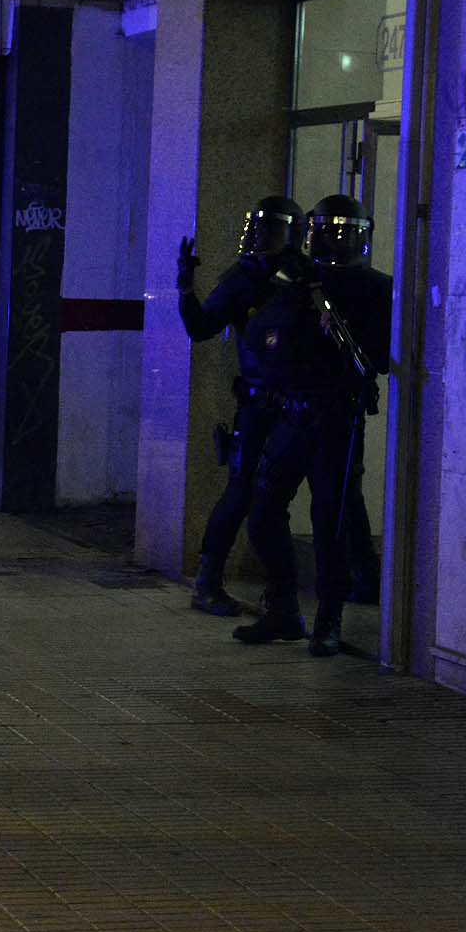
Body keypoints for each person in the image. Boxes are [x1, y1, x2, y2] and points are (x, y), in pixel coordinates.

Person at [233, 194, 390, 657]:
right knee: (262, 513)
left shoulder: (376, 288)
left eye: (340, 232)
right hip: (290, 413)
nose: (330, 240)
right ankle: (282, 609)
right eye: (323, 230)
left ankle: (329, 618)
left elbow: (376, 358)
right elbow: (264, 338)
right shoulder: (297, 280)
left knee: (329, 522)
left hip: (335, 419)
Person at [174, 195, 305, 616]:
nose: (262, 238)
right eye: (259, 229)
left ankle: (284, 594)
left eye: (272, 230)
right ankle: (208, 582)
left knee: (291, 497)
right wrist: (185, 287)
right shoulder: (242, 279)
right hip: (258, 406)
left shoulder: (303, 276)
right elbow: (200, 328)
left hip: (301, 406)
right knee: (242, 493)